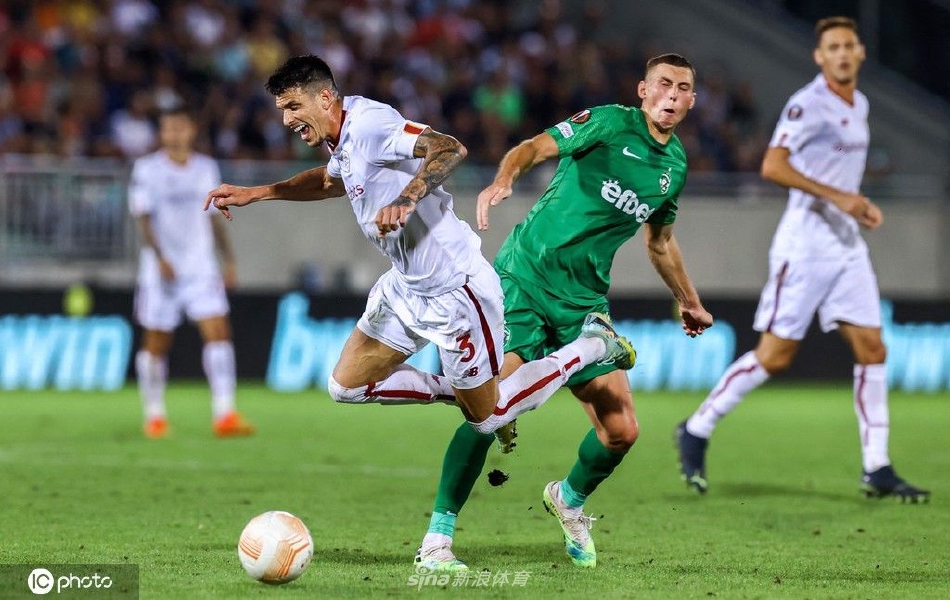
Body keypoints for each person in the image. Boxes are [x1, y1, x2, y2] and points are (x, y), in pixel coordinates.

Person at [204, 56, 636, 448]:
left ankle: (592, 346)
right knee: (346, 386)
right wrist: (257, 193)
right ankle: (473, 394)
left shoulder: (370, 125)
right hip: (407, 285)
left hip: (456, 289)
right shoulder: (341, 138)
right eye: (282, 109)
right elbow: (328, 181)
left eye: (293, 107)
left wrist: (407, 198)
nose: (286, 119)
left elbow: (449, 147)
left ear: (324, 98)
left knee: (489, 418)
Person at [414, 53, 714, 572]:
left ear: (691, 100)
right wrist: (505, 178)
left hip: (584, 303)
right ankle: (437, 540)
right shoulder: (609, 123)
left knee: (621, 431)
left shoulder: (675, 167)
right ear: (643, 90)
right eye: (663, 83)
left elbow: (660, 242)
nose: (672, 94)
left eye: (683, 88)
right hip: (524, 281)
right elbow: (534, 147)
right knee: (488, 410)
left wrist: (689, 300)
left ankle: (568, 501)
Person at [676, 17, 929, 502]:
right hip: (805, 247)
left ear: (860, 53)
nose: (842, 53)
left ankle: (877, 467)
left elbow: (838, 173)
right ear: (819, 56)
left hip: (847, 246)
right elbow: (773, 165)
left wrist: (855, 204)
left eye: (849, 45)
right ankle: (697, 427)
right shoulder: (807, 103)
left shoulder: (860, 103)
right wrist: (840, 197)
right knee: (775, 356)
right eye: (832, 47)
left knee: (873, 349)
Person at [129, 106, 254, 439]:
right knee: (157, 341)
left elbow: (214, 218)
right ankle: (154, 415)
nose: (174, 134)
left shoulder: (205, 167)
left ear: (191, 130)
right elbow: (143, 218)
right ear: (161, 133)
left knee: (218, 332)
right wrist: (160, 258)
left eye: (179, 127)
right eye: (168, 128)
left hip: (200, 266)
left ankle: (225, 413)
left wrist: (228, 259)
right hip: (162, 270)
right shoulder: (147, 169)